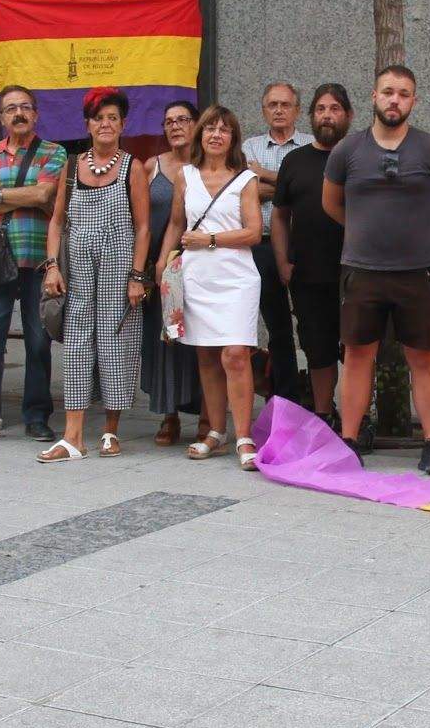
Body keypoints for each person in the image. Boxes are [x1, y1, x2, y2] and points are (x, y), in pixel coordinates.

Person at [324, 65, 430, 475]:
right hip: (362, 271)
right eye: (388, 92)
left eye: (403, 94)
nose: (394, 100)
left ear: (413, 102)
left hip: (416, 272)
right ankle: (349, 441)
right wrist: (364, 234)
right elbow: (331, 203)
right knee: (357, 355)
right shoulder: (348, 150)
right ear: (373, 96)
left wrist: (421, 232)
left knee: (423, 358)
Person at [37, 88, 152, 463]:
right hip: (78, 265)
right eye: (99, 117)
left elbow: (144, 227)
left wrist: (137, 275)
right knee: (76, 343)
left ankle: (110, 430)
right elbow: (56, 222)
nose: (106, 124)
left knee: (116, 342)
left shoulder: (133, 166)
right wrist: (52, 266)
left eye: (113, 118)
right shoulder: (71, 166)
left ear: (122, 124)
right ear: (87, 123)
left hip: (119, 263)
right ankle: (72, 436)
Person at [0, 85, 68, 445]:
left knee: (38, 340)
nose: (18, 114)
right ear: (2, 117)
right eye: (10, 109)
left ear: (35, 113)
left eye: (24, 107)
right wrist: (22, 197)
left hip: (39, 261)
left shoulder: (54, 152)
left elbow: (45, 195)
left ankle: (37, 416)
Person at [155, 106, 264, 469]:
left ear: (233, 138)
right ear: (200, 135)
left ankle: (244, 435)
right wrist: (160, 263)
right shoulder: (186, 176)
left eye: (224, 129)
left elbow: (253, 232)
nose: (216, 135)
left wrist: (211, 239)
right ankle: (216, 432)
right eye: (210, 129)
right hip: (196, 276)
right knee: (205, 355)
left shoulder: (245, 179)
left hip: (236, 277)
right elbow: (175, 223)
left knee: (235, 354)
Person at [273, 85, 352, 431]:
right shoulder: (295, 160)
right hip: (307, 273)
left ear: (348, 115)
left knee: (356, 349)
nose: (327, 115)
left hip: (356, 273)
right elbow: (279, 215)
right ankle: (323, 415)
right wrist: (282, 261)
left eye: (335, 109)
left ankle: (354, 416)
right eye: (321, 109)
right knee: (317, 349)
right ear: (311, 116)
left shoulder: (359, 156)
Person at [240, 83, 312, 403]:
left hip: (306, 248)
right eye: (272, 105)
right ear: (264, 110)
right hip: (263, 246)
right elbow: (246, 191)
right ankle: (285, 397)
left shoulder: (311, 144)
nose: (279, 110)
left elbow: (309, 190)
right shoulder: (249, 146)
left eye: (286, 104)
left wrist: (265, 176)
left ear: (297, 109)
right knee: (278, 327)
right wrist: (289, 182)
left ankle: (319, 396)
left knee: (312, 327)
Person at [142, 100, 207, 445]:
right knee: (166, 339)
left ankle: (206, 414)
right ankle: (169, 416)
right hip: (161, 266)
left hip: (200, 260)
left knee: (201, 339)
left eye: (183, 119)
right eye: (169, 121)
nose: (176, 126)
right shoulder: (151, 166)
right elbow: (136, 218)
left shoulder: (208, 166)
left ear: (197, 124)